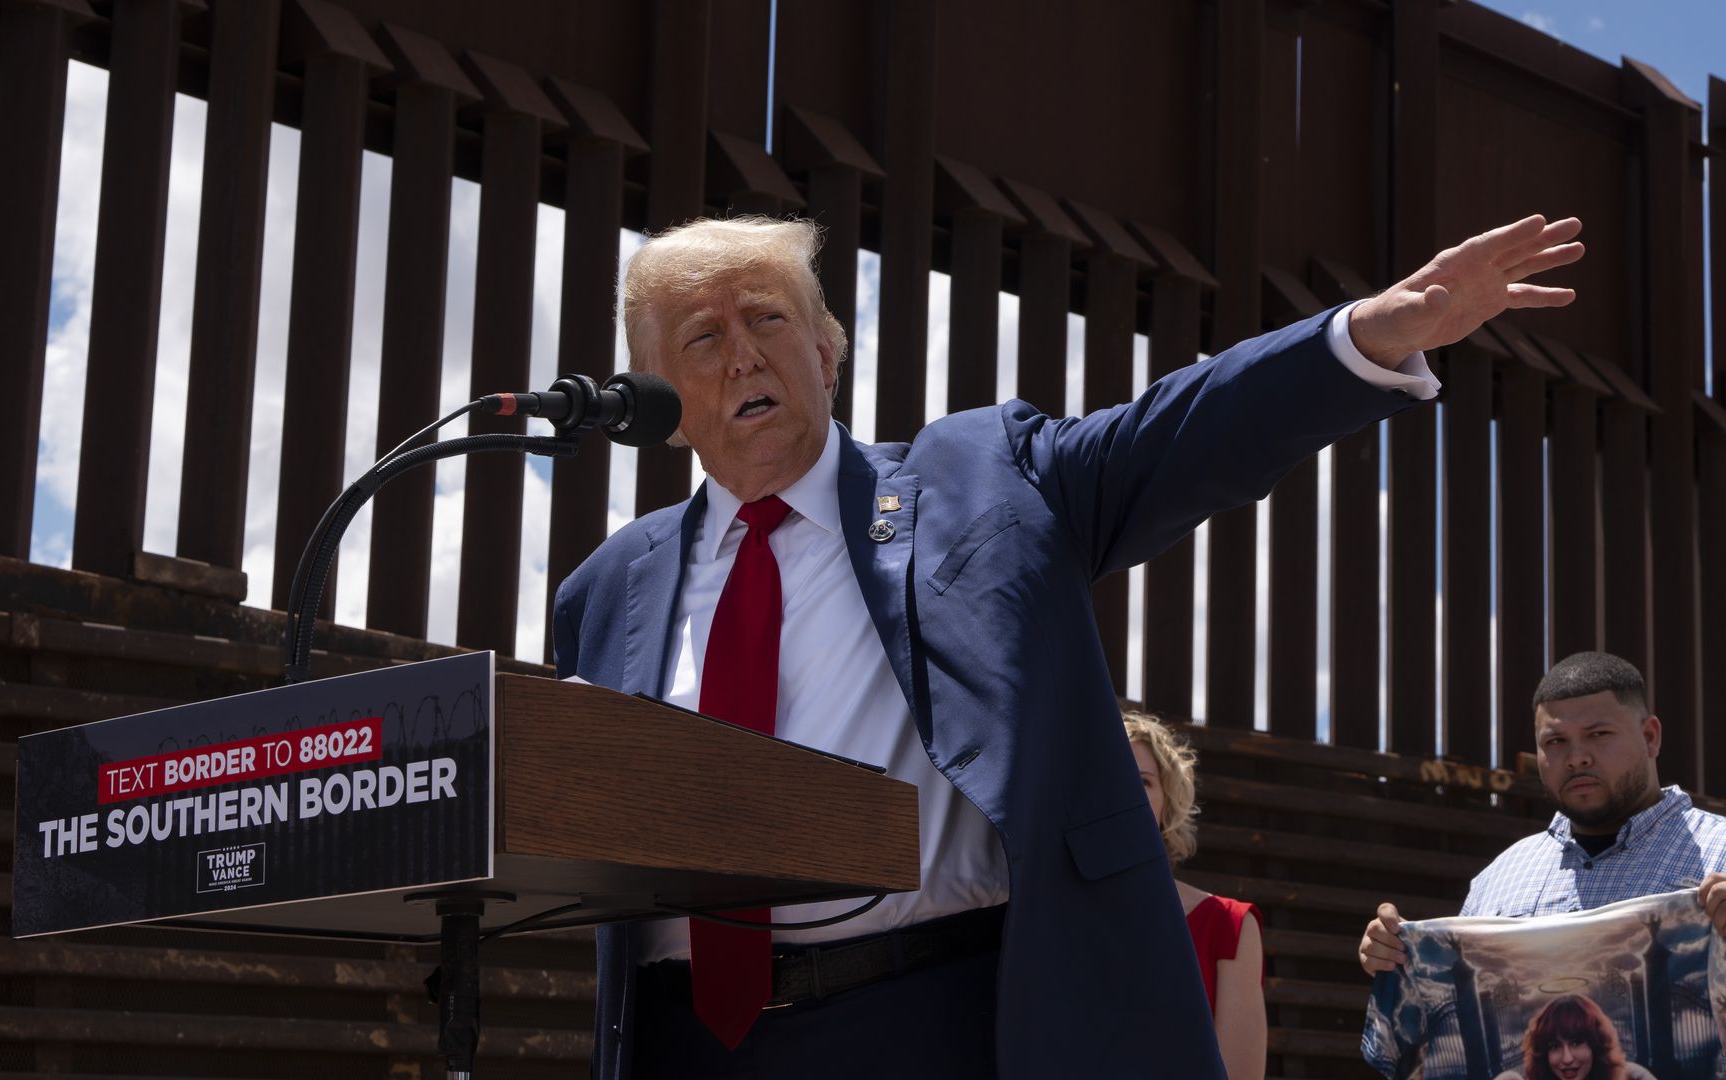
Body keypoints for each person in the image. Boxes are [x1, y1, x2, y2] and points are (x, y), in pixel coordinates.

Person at [554, 210, 1585, 1079]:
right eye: (701, 337)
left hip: (928, 1016)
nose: (742, 354)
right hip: (681, 1038)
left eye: (767, 319)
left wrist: (1365, 336)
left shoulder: (981, 484)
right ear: (659, 406)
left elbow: (1177, 432)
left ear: (826, 350)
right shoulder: (607, 592)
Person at [1359, 652, 1726, 979]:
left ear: (1650, 737)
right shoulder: (1497, 881)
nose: (1576, 757)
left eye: (1598, 734)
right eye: (1556, 741)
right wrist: (1401, 959)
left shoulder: (1720, 851)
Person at [1127, 711, 1267, 1080]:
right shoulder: (1052, 918)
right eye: (1111, 775)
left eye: (1142, 781)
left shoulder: (1229, 925)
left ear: (1167, 805)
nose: (1125, 789)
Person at [1495, 994, 1656, 1080]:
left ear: (1596, 1045)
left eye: (1576, 1042)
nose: (1567, 1059)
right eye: (1554, 1046)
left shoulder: (1633, 1076)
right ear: (1543, 1054)